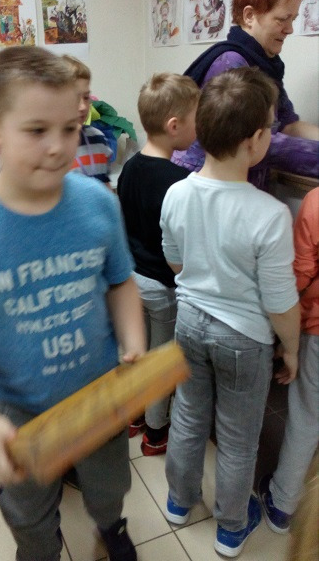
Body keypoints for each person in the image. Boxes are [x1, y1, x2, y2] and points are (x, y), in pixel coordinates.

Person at [0, 46, 146, 561]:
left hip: (99, 393)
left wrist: (133, 342)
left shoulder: (98, 205)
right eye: (37, 130)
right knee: (29, 510)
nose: (58, 147)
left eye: (70, 128)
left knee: (109, 484)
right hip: (19, 410)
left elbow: (120, 282)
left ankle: (110, 527)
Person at [160, 67, 300, 558]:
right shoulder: (269, 214)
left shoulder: (176, 193)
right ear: (254, 140)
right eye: (270, 129)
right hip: (244, 339)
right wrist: (291, 349)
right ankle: (231, 528)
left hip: (188, 322)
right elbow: (280, 302)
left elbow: (175, 261)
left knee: (188, 417)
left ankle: (178, 503)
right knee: (239, 439)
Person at [172, 0, 319, 191]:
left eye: (293, 19)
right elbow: (250, 142)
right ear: (249, 16)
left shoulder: (266, 64)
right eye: (282, 19)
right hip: (209, 190)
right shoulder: (231, 64)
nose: (290, 29)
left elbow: (288, 124)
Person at [117, 72, 200, 456]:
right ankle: (154, 432)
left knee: (138, 352)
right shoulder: (179, 181)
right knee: (160, 361)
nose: (199, 127)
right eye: (196, 119)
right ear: (174, 125)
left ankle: (134, 416)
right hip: (163, 286)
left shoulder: (130, 167)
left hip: (132, 279)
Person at [258, 187, 318, 534]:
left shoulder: (316, 202)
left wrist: (286, 337)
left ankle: (282, 503)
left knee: (308, 416)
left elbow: (299, 276)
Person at [61, 54, 113, 186]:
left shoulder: (99, 138)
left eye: (86, 97)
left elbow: (106, 186)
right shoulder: (50, 149)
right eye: (74, 98)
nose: (83, 107)